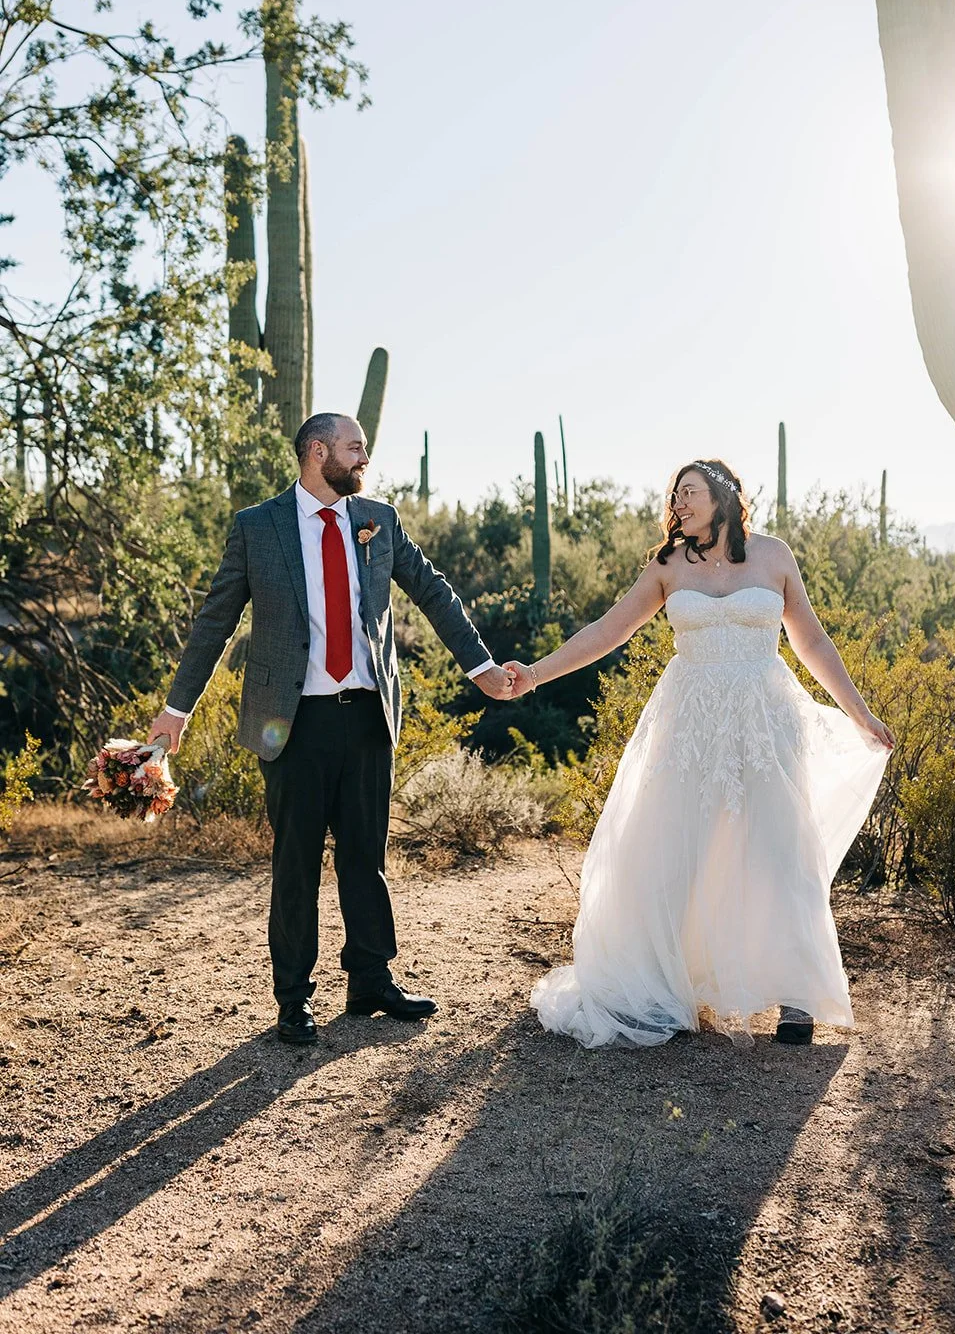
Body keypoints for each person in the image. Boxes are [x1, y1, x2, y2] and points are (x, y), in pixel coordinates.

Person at [504, 458, 893, 1049]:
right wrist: (534, 674)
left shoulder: (774, 555)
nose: (678, 504)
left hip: (766, 722)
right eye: (674, 496)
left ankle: (795, 998)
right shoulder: (667, 566)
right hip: (689, 724)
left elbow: (810, 639)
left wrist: (860, 714)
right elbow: (609, 631)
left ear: (724, 496)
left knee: (781, 849)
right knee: (673, 850)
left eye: (689, 493)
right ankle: (662, 986)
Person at [149, 412, 512, 1044]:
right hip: (289, 724)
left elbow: (435, 594)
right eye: (354, 448)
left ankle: (370, 978)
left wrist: (479, 665)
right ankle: (292, 998)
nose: (364, 460)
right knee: (296, 863)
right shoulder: (257, 528)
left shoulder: (379, 520)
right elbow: (215, 622)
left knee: (366, 857)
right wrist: (177, 710)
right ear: (318, 452)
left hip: (368, 715)